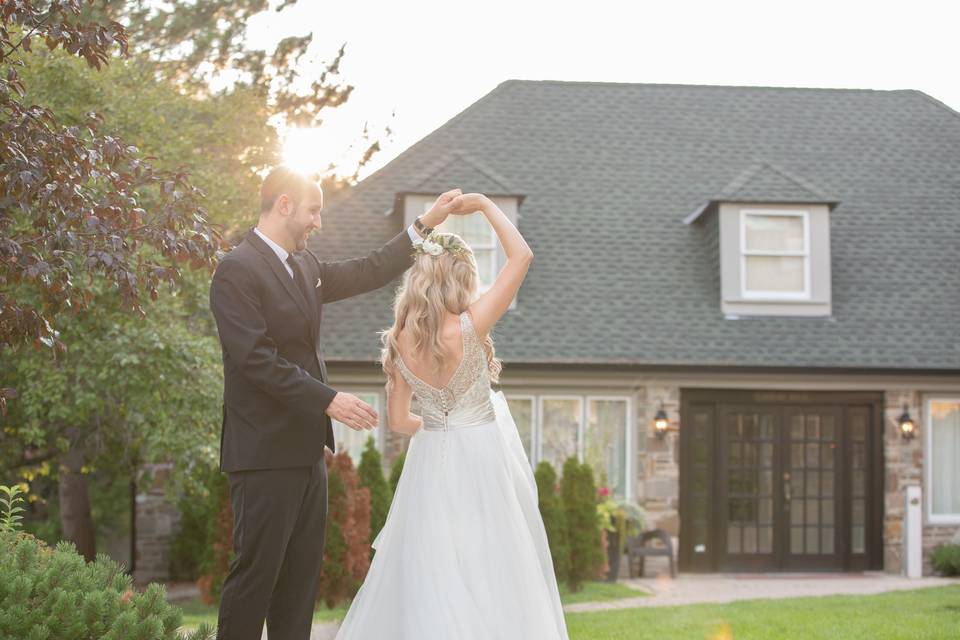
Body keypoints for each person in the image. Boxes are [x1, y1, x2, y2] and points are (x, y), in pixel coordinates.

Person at [208, 165, 464, 640]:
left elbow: (369, 269)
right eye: (313, 211)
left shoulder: (306, 268)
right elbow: (255, 361)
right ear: (284, 205)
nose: (318, 223)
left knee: (300, 584)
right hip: (262, 456)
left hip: (307, 453)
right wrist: (328, 399)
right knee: (255, 580)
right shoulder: (236, 271)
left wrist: (425, 224)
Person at [334, 193, 569, 639]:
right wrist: (483, 205)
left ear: (420, 277)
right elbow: (522, 256)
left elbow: (401, 422)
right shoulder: (470, 326)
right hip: (482, 457)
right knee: (494, 568)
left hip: (431, 463)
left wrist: (440, 428)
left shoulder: (400, 342)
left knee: (432, 568)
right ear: (460, 278)